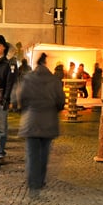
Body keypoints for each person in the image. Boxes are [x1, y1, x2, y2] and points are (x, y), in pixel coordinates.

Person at [15, 52, 65, 194]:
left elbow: (20, 98)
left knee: (32, 153)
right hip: (48, 120)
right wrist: (55, 110)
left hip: (31, 120)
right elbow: (61, 101)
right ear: (45, 64)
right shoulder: (54, 80)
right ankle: (41, 180)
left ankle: (33, 182)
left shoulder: (28, 79)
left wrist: (24, 110)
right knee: (44, 153)